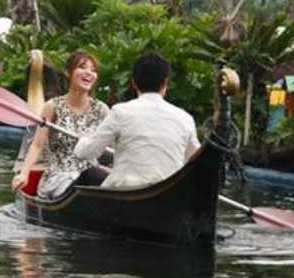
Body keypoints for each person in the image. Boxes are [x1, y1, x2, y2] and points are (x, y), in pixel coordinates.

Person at [73, 52, 200, 191]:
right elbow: (197, 160)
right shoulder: (185, 118)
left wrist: (82, 141)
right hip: (169, 195)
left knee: (89, 174)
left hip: (126, 195)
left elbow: (87, 153)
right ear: (165, 83)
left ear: (133, 83)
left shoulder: (120, 112)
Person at [11, 50, 109, 199]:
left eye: (93, 70)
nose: (89, 73)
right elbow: (37, 145)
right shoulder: (52, 107)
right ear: (68, 72)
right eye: (82, 67)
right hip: (59, 178)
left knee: (102, 176)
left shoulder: (101, 109)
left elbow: (118, 144)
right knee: (93, 174)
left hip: (92, 176)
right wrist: (24, 174)